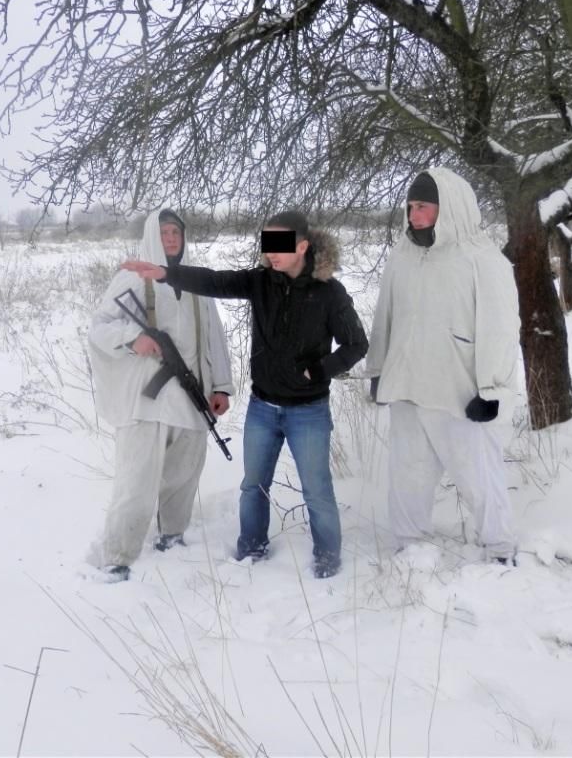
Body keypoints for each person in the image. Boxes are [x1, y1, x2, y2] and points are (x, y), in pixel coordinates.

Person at [121, 211, 368, 578]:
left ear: (302, 245)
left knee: (317, 490)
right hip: (263, 408)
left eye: (280, 245)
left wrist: (319, 370)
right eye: (268, 244)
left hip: (308, 411)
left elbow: (356, 344)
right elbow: (214, 281)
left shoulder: (328, 292)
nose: (272, 253)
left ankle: (328, 556)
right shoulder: (260, 282)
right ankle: (252, 547)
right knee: (253, 486)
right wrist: (166, 273)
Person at [364, 168, 521, 564]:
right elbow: (386, 316)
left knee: (478, 473)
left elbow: (501, 328)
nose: (414, 215)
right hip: (407, 384)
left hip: (459, 389)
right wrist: (379, 369)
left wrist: (493, 390)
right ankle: (409, 543)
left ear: (449, 207)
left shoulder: (481, 259)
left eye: (423, 207)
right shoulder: (402, 256)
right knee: (408, 471)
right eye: (411, 206)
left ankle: (499, 547)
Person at [87, 208, 234, 582]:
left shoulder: (196, 282)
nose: (172, 239)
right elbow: (100, 328)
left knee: (184, 475)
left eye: (177, 233)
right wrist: (133, 339)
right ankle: (117, 557)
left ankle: (172, 535)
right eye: (165, 232)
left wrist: (220, 386)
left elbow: (214, 337)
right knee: (136, 482)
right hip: (148, 401)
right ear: (154, 233)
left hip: (192, 399)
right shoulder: (134, 275)